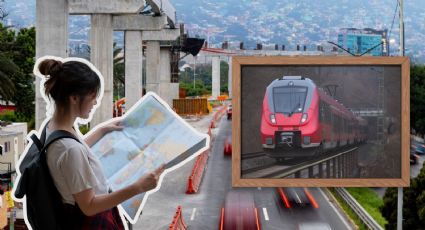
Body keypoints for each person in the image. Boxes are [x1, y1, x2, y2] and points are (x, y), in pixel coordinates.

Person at [37, 58, 165, 229]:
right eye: (92, 97)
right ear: (74, 98)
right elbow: (89, 206)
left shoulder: (54, 128)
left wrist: (102, 130)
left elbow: (75, 151)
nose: (95, 103)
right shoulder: (70, 149)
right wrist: (138, 187)